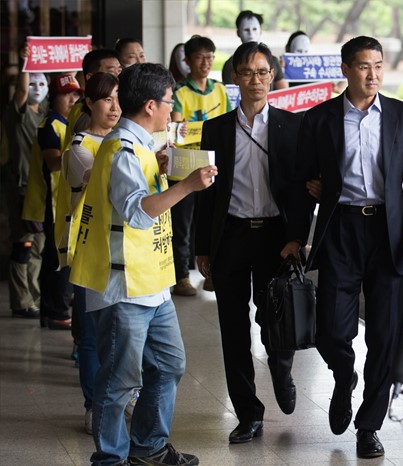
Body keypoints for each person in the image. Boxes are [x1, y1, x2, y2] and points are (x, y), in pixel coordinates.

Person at [281, 35, 403, 459]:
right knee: (331, 329)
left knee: (386, 335)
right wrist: (297, 232)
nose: (373, 75)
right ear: (346, 69)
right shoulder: (319, 119)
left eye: (379, 66)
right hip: (340, 229)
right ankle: (344, 373)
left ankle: (369, 426)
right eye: (364, 66)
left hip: (389, 231)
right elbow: (302, 181)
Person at [69, 63, 214, 466]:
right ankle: (110, 458)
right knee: (119, 380)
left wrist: (164, 170)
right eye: (169, 101)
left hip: (151, 282)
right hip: (124, 286)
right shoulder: (122, 150)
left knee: (168, 365)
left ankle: (149, 447)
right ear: (150, 105)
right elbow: (136, 212)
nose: (172, 110)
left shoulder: (142, 147)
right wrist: (188, 186)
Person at [195, 41, 302, 444]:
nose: (255, 80)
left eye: (261, 72)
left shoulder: (292, 126)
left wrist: (298, 238)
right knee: (233, 328)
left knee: (276, 321)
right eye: (246, 72)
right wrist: (202, 247)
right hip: (232, 236)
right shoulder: (216, 129)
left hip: (276, 238)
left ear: (271, 76)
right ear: (235, 78)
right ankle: (247, 413)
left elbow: (302, 189)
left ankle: (282, 367)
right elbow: (207, 193)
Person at [62, 72, 121, 435]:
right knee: (90, 334)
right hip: (89, 250)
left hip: (123, 250)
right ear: (89, 103)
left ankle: (119, 400)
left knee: (120, 331)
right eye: (106, 100)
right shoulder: (80, 147)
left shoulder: (124, 139)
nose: (114, 108)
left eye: (119, 99)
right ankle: (93, 405)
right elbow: (104, 185)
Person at [170, 35, 232, 297]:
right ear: (187, 61)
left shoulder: (220, 90)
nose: (206, 63)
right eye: (199, 58)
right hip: (185, 167)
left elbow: (230, 122)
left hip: (213, 165)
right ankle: (181, 276)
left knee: (215, 221)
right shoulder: (179, 92)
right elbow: (174, 130)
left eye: (210, 57)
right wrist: (179, 129)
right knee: (182, 225)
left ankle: (212, 274)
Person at [22, 73, 82, 330]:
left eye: (76, 94)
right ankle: (57, 312)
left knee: (54, 258)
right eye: (66, 95)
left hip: (63, 200)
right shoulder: (50, 125)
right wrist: (80, 149)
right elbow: (53, 163)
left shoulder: (66, 124)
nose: (73, 99)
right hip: (52, 202)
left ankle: (51, 310)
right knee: (60, 259)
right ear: (54, 98)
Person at [6, 44, 48, 319]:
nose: (36, 87)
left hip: (40, 189)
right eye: (32, 82)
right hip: (21, 187)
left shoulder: (45, 114)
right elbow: (22, 92)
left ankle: (35, 297)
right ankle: (21, 301)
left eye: (41, 82)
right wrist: (26, 64)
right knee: (24, 245)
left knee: (39, 246)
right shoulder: (18, 113)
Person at [64, 48, 122, 151]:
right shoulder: (85, 111)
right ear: (90, 77)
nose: (118, 77)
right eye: (111, 72)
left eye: (119, 71)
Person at [221, 10, 288, 90]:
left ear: (260, 31)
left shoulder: (273, 61)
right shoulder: (230, 65)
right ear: (238, 32)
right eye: (246, 30)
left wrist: (285, 70)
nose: (251, 34)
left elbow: (284, 92)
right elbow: (231, 94)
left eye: (255, 29)